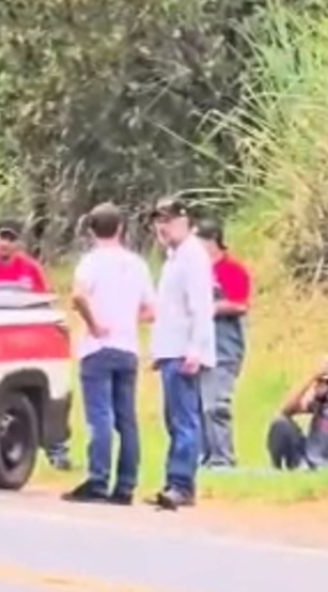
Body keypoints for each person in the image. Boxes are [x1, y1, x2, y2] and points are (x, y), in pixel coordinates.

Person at [62, 203, 156, 505]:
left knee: (100, 416)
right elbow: (151, 311)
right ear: (121, 228)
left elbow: (78, 296)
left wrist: (94, 324)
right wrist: (127, 318)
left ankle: (98, 479)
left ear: (91, 231)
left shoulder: (90, 263)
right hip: (127, 347)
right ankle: (126, 484)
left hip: (97, 347)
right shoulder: (137, 264)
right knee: (126, 419)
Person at [0, 218, 72, 470]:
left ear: (19, 243)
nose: (5, 243)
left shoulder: (30, 270)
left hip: (27, 342)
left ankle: (57, 450)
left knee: (52, 390)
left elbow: (45, 303)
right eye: (2, 237)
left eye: (11, 239)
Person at [150, 197, 216, 510]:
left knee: (185, 419)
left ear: (184, 221)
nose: (162, 227)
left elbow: (200, 306)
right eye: (158, 221)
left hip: (184, 350)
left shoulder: (192, 256)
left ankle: (181, 484)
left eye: (168, 220)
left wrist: (195, 348)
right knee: (174, 419)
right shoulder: (173, 258)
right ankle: (174, 481)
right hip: (170, 349)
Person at [195, 218, 252, 468]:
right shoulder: (196, 272)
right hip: (199, 345)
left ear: (212, 241)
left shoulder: (231, 269)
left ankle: (222, 459)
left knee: (215, 405)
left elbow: (240, 304)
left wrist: (210, 307)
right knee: (198, 406)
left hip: (224, 346)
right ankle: (205, 457)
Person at [268, 359, 328, 470]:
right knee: (281, 424)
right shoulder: (321, 399)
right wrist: (312, 377)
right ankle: (278, 471)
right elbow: (285, 410)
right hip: (307, 459)